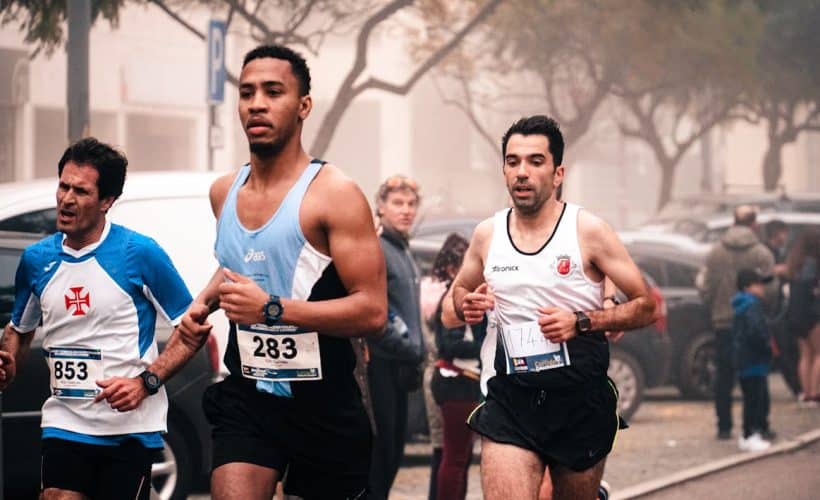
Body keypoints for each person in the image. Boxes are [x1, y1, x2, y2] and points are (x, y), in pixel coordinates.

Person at [178, 44, 387, 500]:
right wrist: (203, 301)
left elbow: (372, 312)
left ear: (303, 106)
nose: (257, 103)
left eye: (273, 92)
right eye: (247, 92)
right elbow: (240, 260)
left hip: (325, 402)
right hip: (249, 398)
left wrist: (271, 309)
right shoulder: (222, 193)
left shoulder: (335, 193)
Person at [440, 115, 656, 500]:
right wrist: (466, 303)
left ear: (558, 174)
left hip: (579, 398)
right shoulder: (487, 234)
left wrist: (582, 321)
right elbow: (452, 301)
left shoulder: (587, 230)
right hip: (510, 397)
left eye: (535, 162)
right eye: (513, 161)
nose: (522, 172)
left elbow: (646, 307)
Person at [0, 138, 202, 500]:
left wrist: (146, 382)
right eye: (63, 186)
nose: (66, 199)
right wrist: (8, 363)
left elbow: (191, 330)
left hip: (129, 426)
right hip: (64, 421)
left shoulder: (139, 254)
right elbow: (20, 330)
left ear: (107, 201)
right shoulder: (35, 261)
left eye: (81, 191)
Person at [367, 174, 425, 500]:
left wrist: (419, 349)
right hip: (381, 367)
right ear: (381, 207)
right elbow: (373, 311)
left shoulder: (402, 249)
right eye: (398, 203)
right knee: (380, 455)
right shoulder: (376, 247)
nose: (406, 210)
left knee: (393, 455)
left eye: (411, 204)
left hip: (403, 368)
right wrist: (406, 345)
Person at [700, 205, 775, 440]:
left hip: (723, 321)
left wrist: (714, 307)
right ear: (754, 224)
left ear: (733, 222)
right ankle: (759, 425)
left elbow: (706, 287)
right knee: (756, 377)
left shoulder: (715, 252)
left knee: (724, 376)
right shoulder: (762, 254)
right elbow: (770, 290)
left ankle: (724, 427)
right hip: (752, 321)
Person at [429, 233, 483, 500]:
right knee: (455, 457)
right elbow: (449, 345)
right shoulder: (455, 300)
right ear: (452, 268)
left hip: (462, 382)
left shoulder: (465, 295)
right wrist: (488, 348)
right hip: (457, 381)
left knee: (458, 457)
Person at [733, 268, 775, 451]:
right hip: (754, 361)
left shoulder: (741, 305)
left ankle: (747, 434)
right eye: (758, 284)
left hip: (745, 360)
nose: (762, 287)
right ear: (748, 286)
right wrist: (767, 348)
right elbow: (756, 332)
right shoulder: (752, 305)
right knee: (754, 400)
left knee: (750, 399)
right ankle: (751, 434)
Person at [763, 219, 802, 398]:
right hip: (771, 307)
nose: (786, 237)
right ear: (776, 233)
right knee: (783, 348)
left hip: (781, 305)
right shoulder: (766, 253)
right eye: (783, 232)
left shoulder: (781, 252)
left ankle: (798, 385)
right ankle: (797, 386)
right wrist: (777, 270)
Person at [784, 228, 820, 407]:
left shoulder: (794, 265)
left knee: (805, 354)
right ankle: (815, 393)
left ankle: (805, 393)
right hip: (813, 314)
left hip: (796, 315)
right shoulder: (813, 264)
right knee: (819, 354)